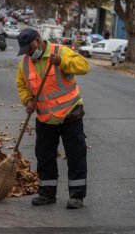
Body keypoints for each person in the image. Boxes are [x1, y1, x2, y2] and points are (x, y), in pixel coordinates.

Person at [16, 28, 89, 209]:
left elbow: (84, 66)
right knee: (44, 156)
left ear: (38, 41)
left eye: (30, 48)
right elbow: (22, 85)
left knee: (75, 155)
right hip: (45, 118)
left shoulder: (60, 51)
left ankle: (77, 196)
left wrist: (63, 62)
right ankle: (47, 194)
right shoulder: (24, 64)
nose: (29, 53)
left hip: (70, 114)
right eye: (26, 51)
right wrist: (28, 100)